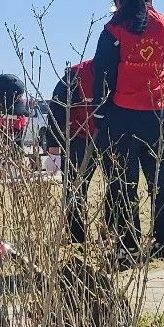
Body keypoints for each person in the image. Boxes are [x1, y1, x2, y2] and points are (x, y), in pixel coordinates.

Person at [92, 0, 164, 262]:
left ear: (118, 0)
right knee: (158, 179)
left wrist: (99, 112)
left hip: (123, 114)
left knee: (123, 183)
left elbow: (102, 72)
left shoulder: (114, 29)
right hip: (157, 111)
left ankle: (127, 247)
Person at [44, 60, 99, 243]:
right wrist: (53, 148)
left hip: (109, 136)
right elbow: (55, 111)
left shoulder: (120, 68)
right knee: (75, 188)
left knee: (118, 185)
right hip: (80, 138)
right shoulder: (75, 75)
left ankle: (112, 232)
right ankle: (77, 237)